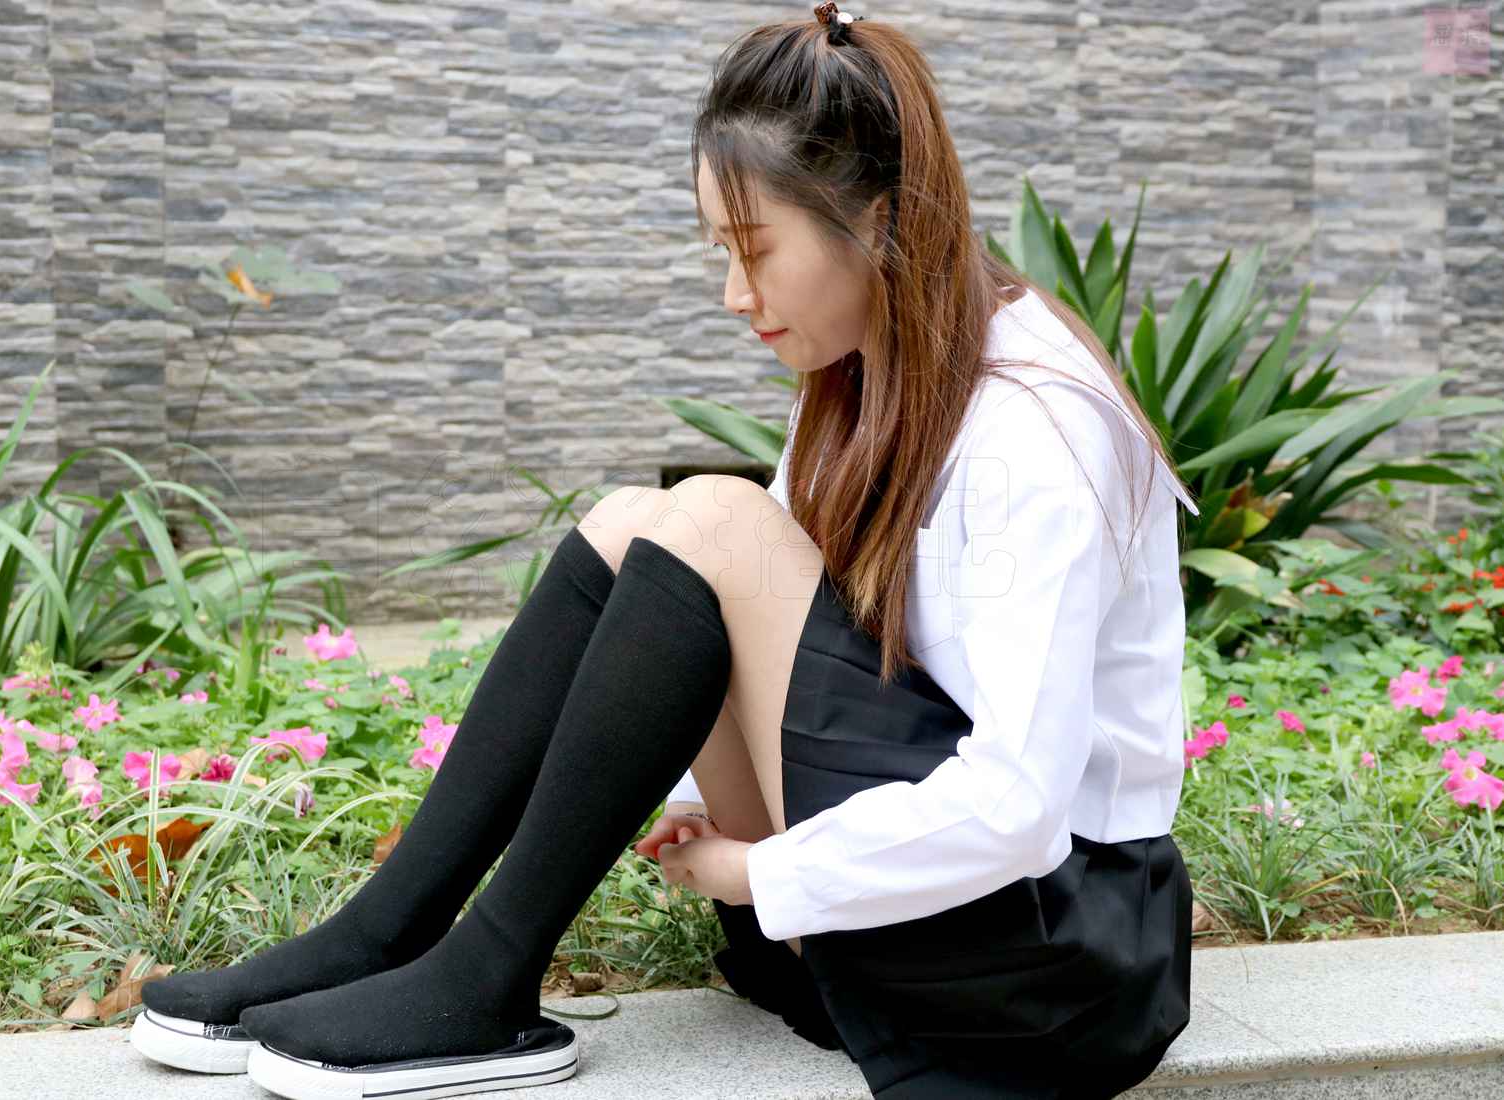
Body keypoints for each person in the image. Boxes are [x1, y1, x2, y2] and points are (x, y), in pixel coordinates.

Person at [131, 5, 1199, 1098]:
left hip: (1054, 966)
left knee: (714, 517)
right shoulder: (867, 374)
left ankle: (482, 976)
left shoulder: (1036, 426)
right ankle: (387, 933)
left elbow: (1018, 804)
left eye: (756, 250)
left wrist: (760, 868)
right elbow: (783, 634)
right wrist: (696, 784)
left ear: (875, 220)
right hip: (931, 916)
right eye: (721, 253)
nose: (735, 294)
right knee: (632, 519)